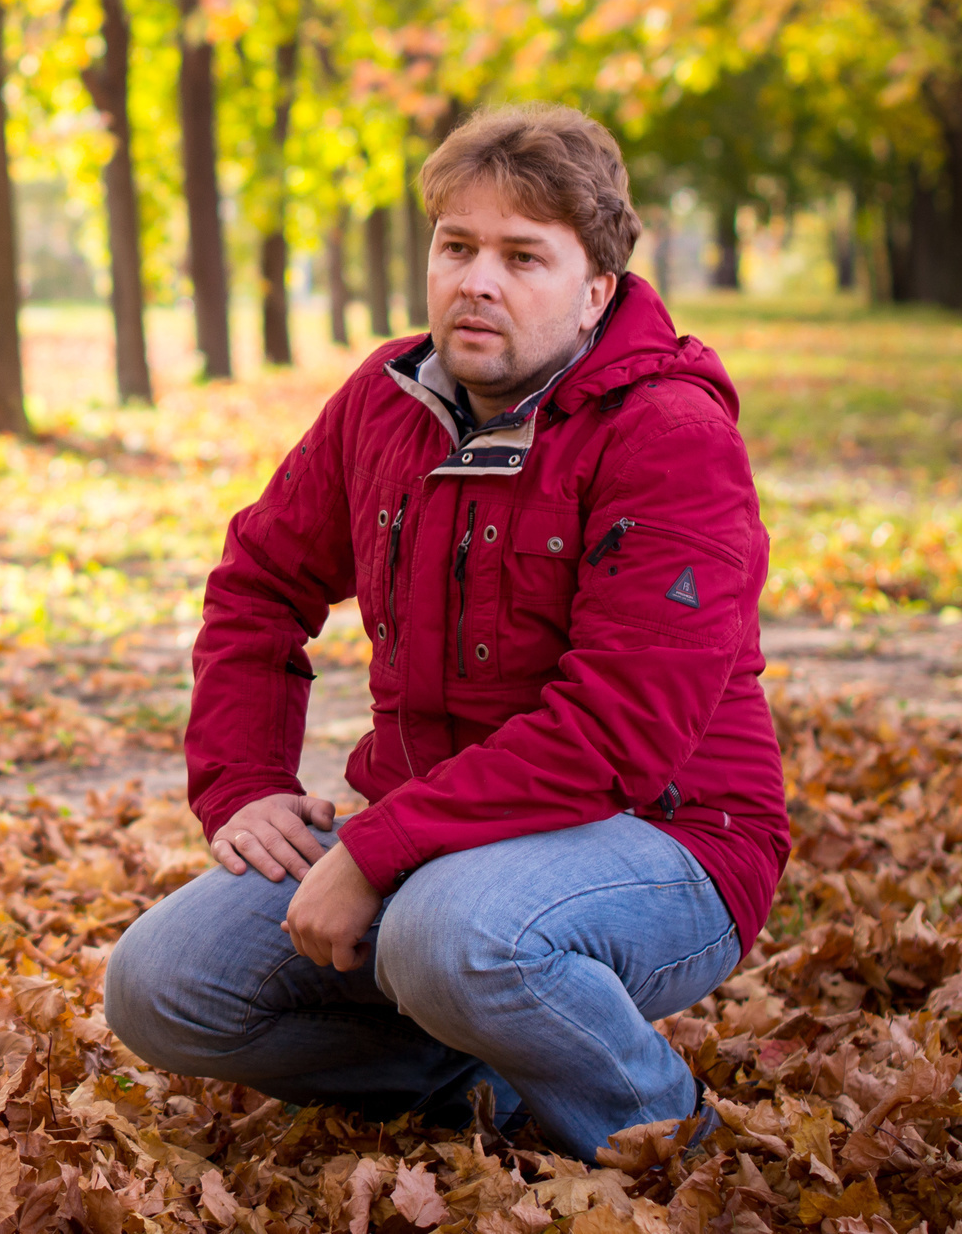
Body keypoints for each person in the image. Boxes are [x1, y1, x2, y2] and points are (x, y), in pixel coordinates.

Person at [100, 106, 787, 1162]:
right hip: (439, 839)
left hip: (672, 839)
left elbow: (617, 734)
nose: (477, 280)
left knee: (449, 939)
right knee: (162, 989)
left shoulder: (668, 434)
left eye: (523, 257)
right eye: (456, 246)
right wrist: (239, 780)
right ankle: (496, 1092)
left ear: (595, 288)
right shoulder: (385, 401)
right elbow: (259, 582)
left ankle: (670, 1142)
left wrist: (376, 850)